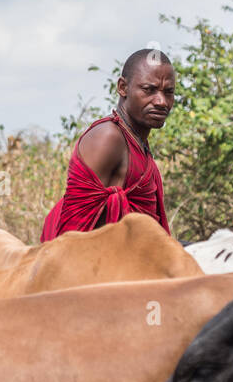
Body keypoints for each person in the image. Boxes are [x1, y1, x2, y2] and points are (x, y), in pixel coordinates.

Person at [40, 48, 175, 241]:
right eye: (149, 90)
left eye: (168, 92)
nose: (162, 102)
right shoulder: (109, 137)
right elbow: (72, 232)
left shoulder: (138, 142)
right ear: (123, 87)